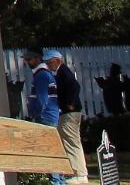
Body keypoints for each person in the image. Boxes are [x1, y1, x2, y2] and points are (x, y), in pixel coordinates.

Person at [21, 49, 66, 185]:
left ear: (37, 59)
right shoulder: (44, 74)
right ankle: (59, 179)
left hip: (45, 117)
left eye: (29, 59)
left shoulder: (41, 75)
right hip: (49, 116)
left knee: (49, 151)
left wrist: (35, 114)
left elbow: (42, 99)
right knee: (53, 149)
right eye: (26, 60)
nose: (27, 62)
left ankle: (56, 181)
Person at [47, 50, 89, 185]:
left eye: (50, 62)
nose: (48, 65)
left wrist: (70, 103)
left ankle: (80, 174)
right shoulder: (61, 72)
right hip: (68, 112)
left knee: (71, 142)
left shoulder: (63, 72)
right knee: (69, 141)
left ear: (57, 60)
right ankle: (76, 173)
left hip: (70, 113)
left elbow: (75, 86)